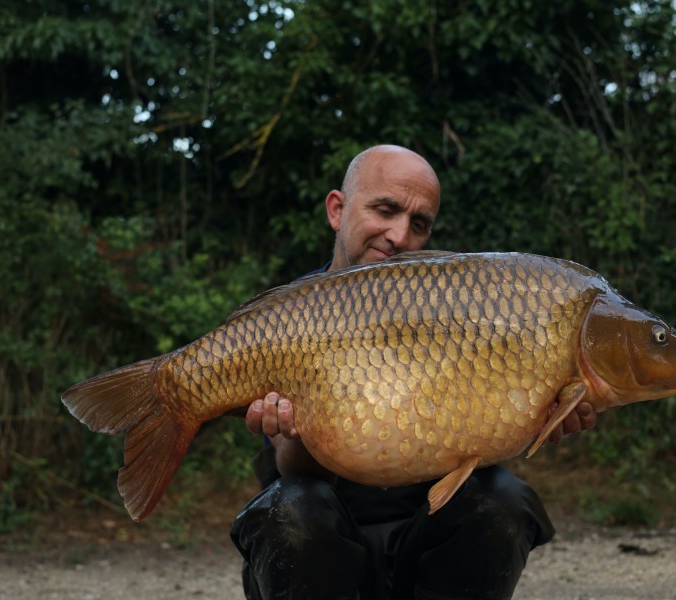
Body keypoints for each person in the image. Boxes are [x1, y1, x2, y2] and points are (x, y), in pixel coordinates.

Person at [229, 145, 597, 600]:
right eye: (385, 210)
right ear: (337, 210)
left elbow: (480, 447)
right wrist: (295, 431)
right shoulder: (291, 318)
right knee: (292, 508)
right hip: (323, 552)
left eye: (419, 223)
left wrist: (540, 416)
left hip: (425, 550)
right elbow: (292, 473)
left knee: (502, 498)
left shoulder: (457, 310)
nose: (399, 235)